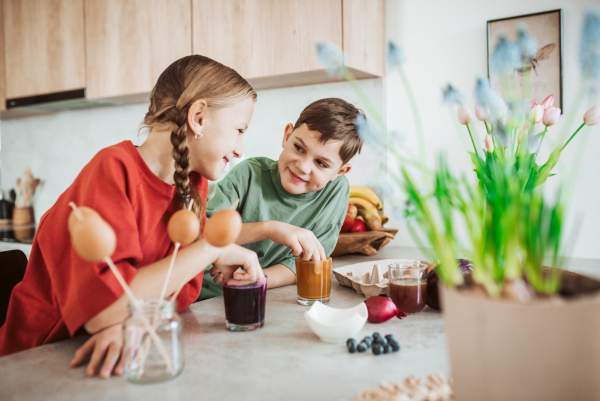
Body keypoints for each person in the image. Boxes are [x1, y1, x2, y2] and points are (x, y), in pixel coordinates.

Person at [0, 55, 264, 378]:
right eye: (239, 130)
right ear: (198, 117)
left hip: (110, 362)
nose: (240, 149)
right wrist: (213, 248)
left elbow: (174, 294)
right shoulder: (113, 169)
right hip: (36, 364)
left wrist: (132, 320)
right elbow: (102, 312)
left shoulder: (193, 185)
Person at [200, 98, 364, 300]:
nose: (303, 167)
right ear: (287, 135)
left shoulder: (336, 191)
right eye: (299, 148)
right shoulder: (248, 174)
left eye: (321, 163)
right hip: (204, 294)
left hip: (255, 293)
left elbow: (307, 262)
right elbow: (205, 234)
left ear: (340, 171)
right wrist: (270, 229)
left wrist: (256, 280)